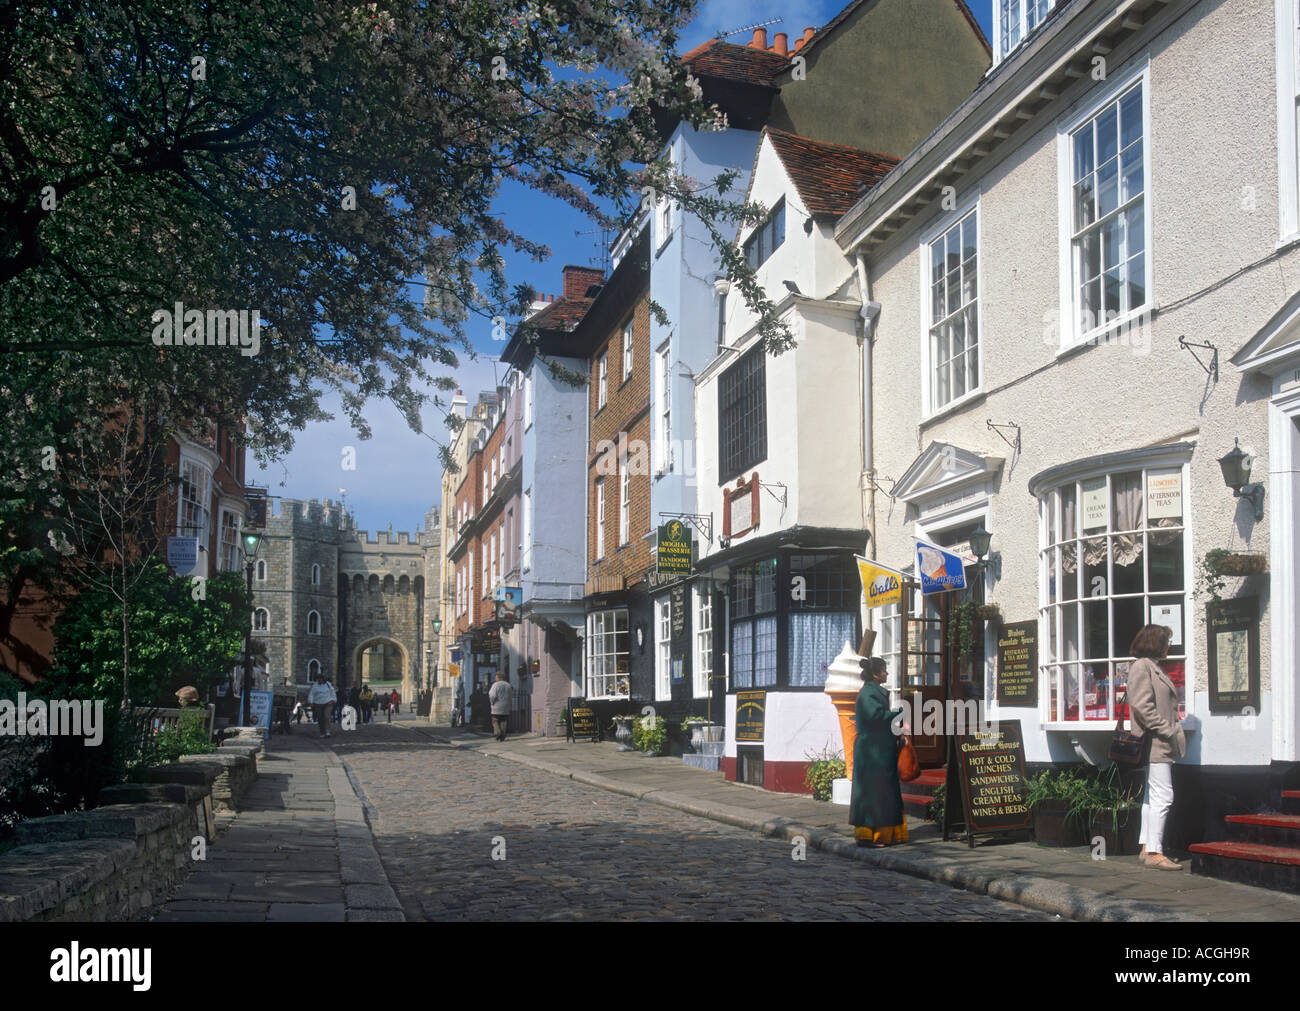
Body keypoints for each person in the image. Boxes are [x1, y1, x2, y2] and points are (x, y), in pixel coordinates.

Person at [1127, 624, 1185, 870]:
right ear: (1154, 643)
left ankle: (1145, 848)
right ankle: (1155, 851)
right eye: (1165, 641)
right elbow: (1142, 706)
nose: (1168, 646)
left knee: (1152, 798)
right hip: (1156, 743)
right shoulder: (1142, 666)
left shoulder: (1153, 666)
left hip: (1159, 742)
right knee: (1164, 796)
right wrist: (1167, 728)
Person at [850, 657, 908, 847]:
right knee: (873, 793)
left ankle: (886, 834)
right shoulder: (868, 694)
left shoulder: (873, 692)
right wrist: (898, 713)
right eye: (884, 670)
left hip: (880, 748)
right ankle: (870, 836)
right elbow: (877, 716)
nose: (886, 673)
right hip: (871, 751)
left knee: (882, 791)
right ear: (875, 674)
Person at [488, 672, 512, 741]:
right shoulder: (508, 685)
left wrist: (492, 702)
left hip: (497, 706)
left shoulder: (495, 685)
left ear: (498, 677)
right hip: (505, 707)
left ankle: (498, 732)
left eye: (495, 677)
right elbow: (510, 696)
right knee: (503, 721)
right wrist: (509, 705)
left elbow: (492, 695)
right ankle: (503, 736)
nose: (495, 678)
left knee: (495, 720)